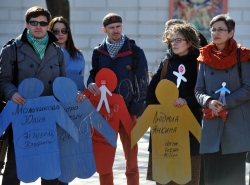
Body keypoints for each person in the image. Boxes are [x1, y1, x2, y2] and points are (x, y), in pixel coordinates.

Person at [0, 6, 85, 185]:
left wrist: (73, 93)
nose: (38, 27)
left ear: (48, 25)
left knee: (50, 168)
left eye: (43, 23)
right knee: (14, 168)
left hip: (49, 116)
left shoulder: (58, 52)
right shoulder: (11, 50)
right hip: (22, 115)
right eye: (34, 23)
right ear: (26, 24)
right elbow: (3, 80)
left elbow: (62, 82)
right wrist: (12, 93)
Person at [87, 13, 148, 185]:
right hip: (105, 113)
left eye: (118, 26)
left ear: (122, 27)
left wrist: (136, 107)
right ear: (104, 30)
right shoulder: (98, 52)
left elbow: (143, 80)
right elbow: (94, 73)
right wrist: (91, 82)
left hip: (128, 111)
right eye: (112, 27)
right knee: (104, 157)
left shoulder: (135, 51)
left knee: (132, 159)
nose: (116, 30)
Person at [195, 13, 250, 185]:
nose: (216, 33)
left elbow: (248, 88)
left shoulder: (243, 56)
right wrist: (209, 102)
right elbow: (199, 90)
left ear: (231, 32)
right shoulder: (204, 57)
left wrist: (225, 103)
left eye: (221, 29)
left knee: (233, 179)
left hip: (235, 126)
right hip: (212, 124)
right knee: (212, 177)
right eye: (213, 29)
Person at [146, 23, 202, 185]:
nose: (174, 43)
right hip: (165, 127)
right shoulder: (167, 63)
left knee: (187, 177)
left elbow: (204, 93)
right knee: (164, 178)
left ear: (190, 42)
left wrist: (187, 101)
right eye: (172, 40)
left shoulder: (200, 64)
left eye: (179, 40)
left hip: (188, 127)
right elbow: (152, 91)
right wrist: (154, 113)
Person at [48, 16, 86, 91]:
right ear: (51, 33)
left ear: (68, 33)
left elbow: (81, 80)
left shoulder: (79, 55)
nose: (60, 34)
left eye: (64, 30)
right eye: (56, 31)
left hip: (75, 98)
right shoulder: (46, 55)